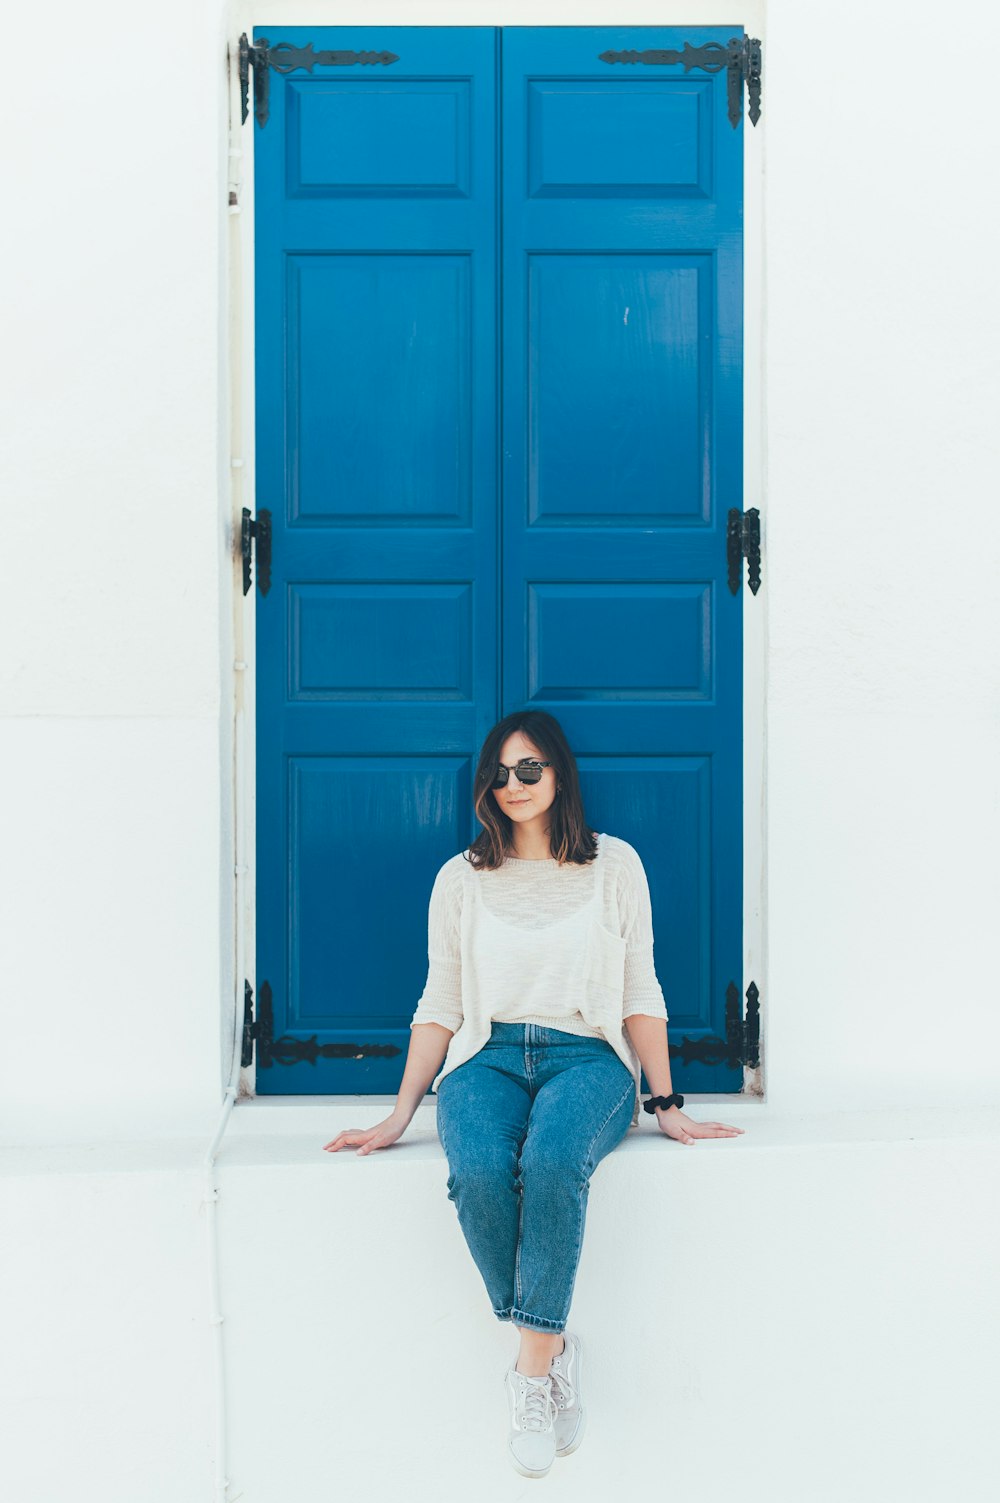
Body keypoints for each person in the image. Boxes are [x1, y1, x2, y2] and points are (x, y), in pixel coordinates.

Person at [323, 709, 744, 1477]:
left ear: (559, 775)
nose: (513, 785)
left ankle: (528, 1375)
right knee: (479, 1168)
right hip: (487, 1058)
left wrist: (666, 1102)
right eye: (500, 772)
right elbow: (440, 1002)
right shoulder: (461, 877)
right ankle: (551, 1346)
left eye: (530, 769)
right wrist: (399, 1112)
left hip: (588, 1061)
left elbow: (639, 990)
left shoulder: (614, 866)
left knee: (553, 1161)